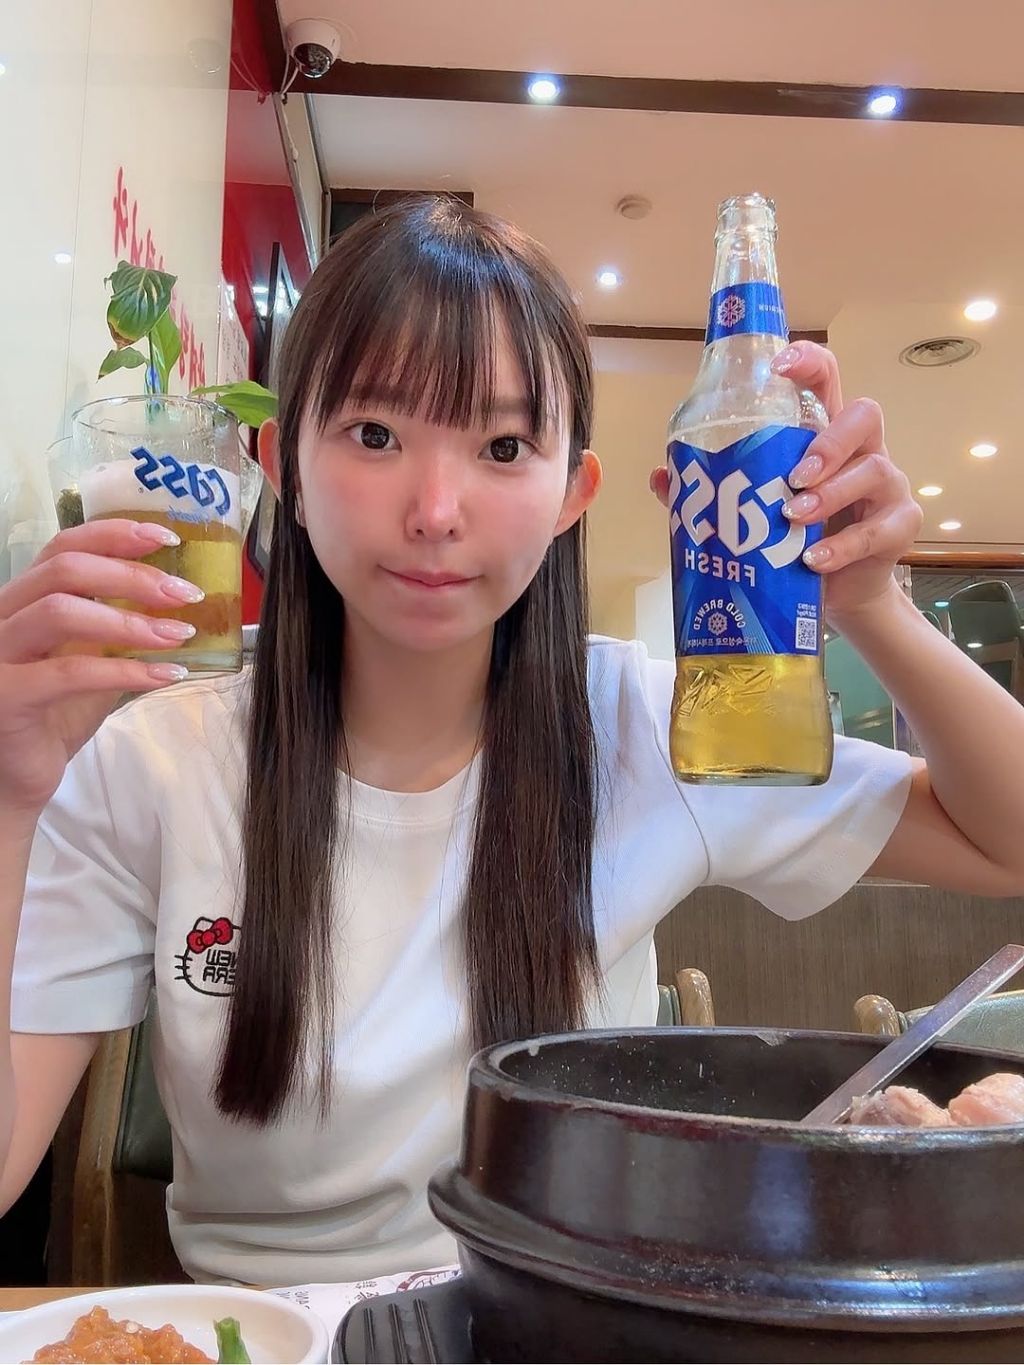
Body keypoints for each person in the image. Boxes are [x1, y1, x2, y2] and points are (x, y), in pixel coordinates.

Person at [2, 198, 1023, 1288]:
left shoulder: (642, 727)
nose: (436, 510)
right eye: (375, 434)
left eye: (502, 446)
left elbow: (1001, 843)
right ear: (282, 467)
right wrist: (10, 798)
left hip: (562, 1321)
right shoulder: (153, 759)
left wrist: (870, 604)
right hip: (268, 1336)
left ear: (572, 492)